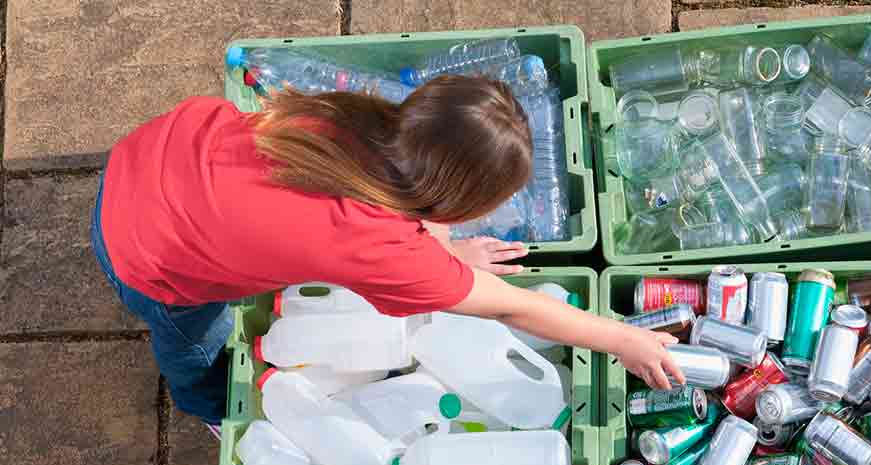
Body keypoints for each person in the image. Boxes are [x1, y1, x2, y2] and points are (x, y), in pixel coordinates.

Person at [92, 75, 682, 435]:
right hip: (148, 253)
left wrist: (448, 257)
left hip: (151, 155)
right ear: (455, 201)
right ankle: (206, 407)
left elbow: (383, 209)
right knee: (194, 342)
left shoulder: (358, 118)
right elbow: (511, 309)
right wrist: (623, 339)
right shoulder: (380, 246)